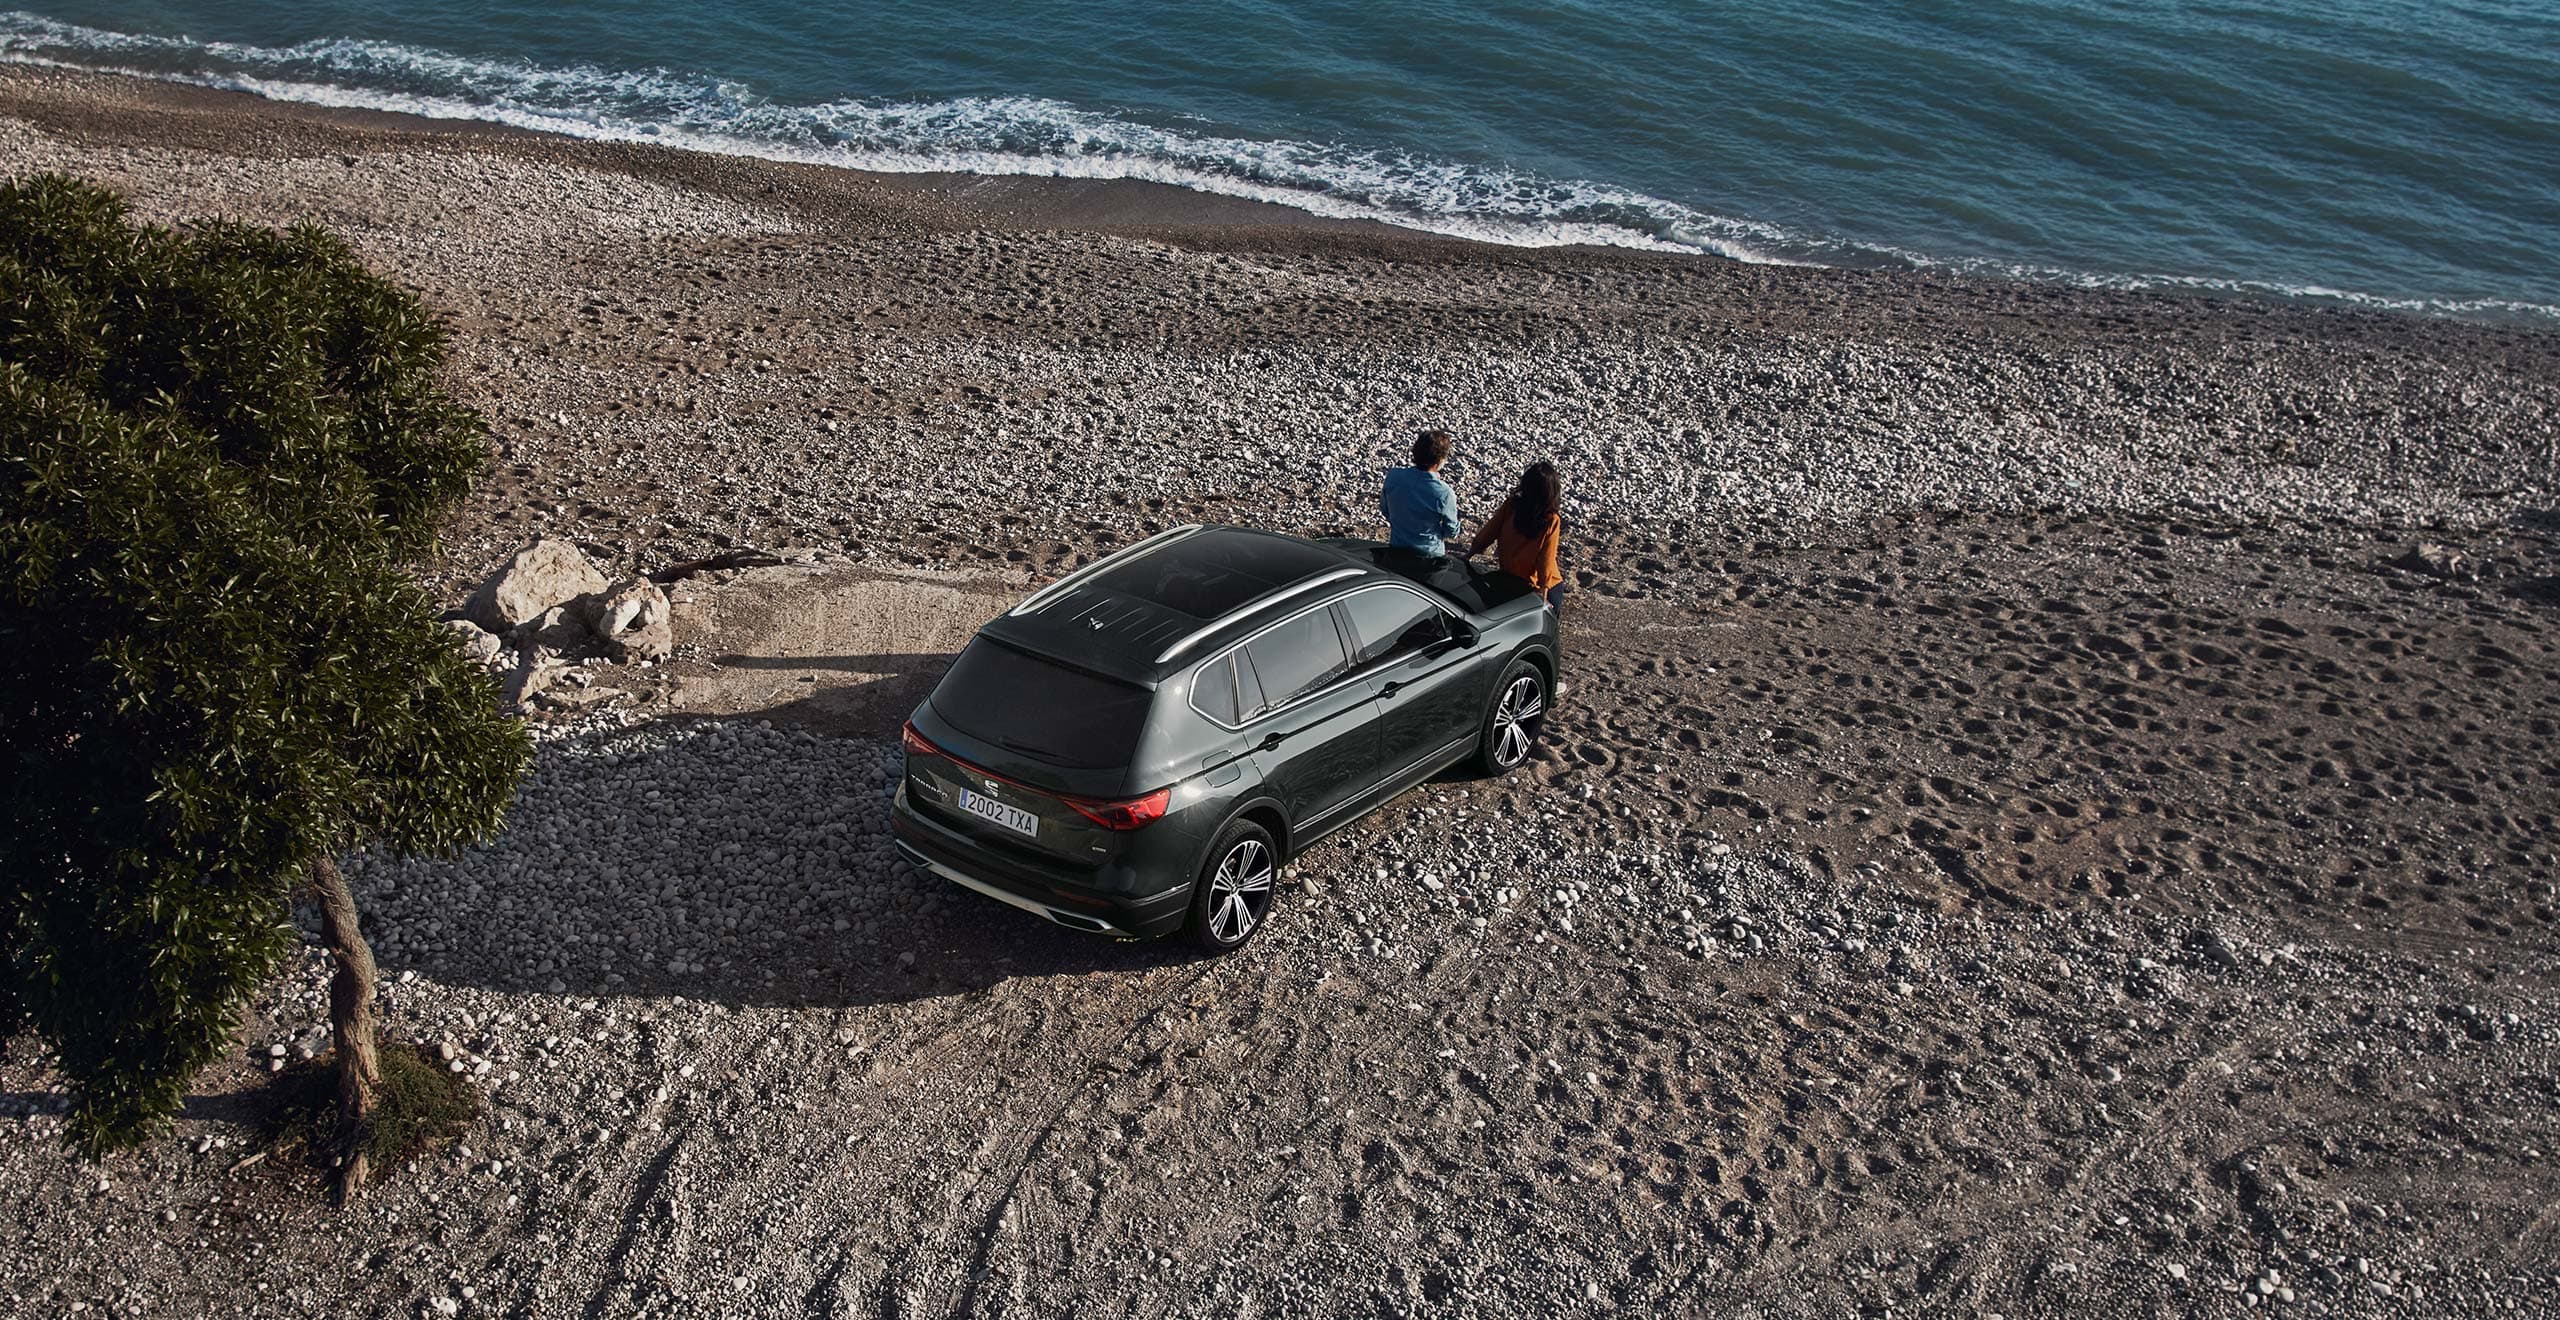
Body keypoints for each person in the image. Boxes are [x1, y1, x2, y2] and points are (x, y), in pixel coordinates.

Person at [1467, 460, 1565, 614]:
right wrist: (1543, 593)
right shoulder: (1550, 519)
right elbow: (1546, 559)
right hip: (1531, 582)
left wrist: (1469, 555)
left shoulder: (1513, 507)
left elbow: (1487, 534)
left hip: (1529, 582)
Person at [1379, 429, 1461, 569]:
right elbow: (1451, 531)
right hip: (1428, 559)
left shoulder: (1394, 476)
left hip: (1395, 553)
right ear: (1440, 460)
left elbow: (1385, 509)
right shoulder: (1444, 493)